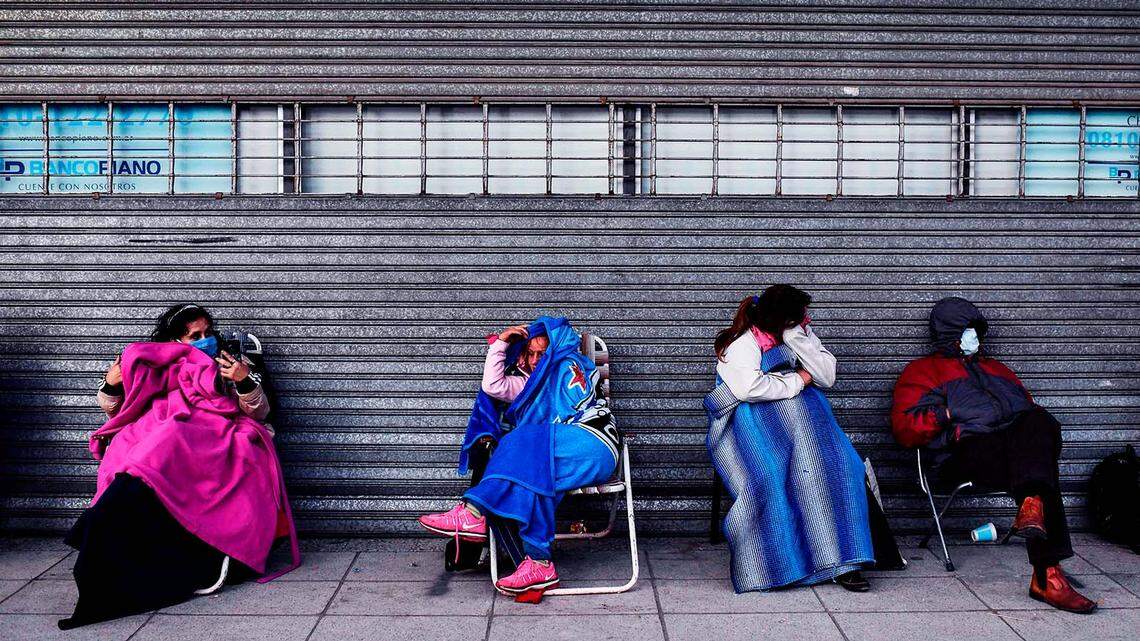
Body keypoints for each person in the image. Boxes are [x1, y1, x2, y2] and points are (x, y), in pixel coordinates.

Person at [59, 303, 299, 629]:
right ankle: (104, 529)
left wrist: (243, 381)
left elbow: (258, 411)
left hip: (211, 433)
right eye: (194, 336)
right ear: (176, 342)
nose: (205, 340)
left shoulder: (230, 363)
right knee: (134, 455)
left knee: (163, 446)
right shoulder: (155, 365)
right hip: (164, 431)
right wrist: (112, 382)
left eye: (207, 332)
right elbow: (117, 408)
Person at [891, 296, 1097, 614]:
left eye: (976, 330)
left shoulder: (997, 370)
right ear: (950, 334)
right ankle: (1046, 573)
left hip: (1010, 456)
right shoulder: (923, 371)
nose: (975, 337)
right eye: (967, 330)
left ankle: (1035, 518)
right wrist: (947, 413)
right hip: (960, 456)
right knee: (1038, 472)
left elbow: (1028, 414)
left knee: (1040, 422)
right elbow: (905, 429)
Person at [417, 316, 620, 596]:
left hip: (592, 442)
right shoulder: (525, 387)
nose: (536, 360)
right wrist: (500, 343)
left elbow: (562, 352)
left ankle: (474, 513)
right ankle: (539, 563)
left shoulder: (566, 366)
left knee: (518, 439)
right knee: (534, 484)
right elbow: (493, 385)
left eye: (543, 353)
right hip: (556, 455)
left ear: (554, 351)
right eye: (531, 353)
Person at [706, 286, 875, 593]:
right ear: (782, 320)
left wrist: (798, 339)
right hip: (753, 428)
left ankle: (845, 562)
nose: (808, 320)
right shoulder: (742, 343)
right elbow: (748, 390)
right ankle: (783, 561)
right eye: (800, 317)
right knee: (774, 476)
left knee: (844, 467)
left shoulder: (800, 335)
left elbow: (826, 376)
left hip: (806, 427)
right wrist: (799, 379)